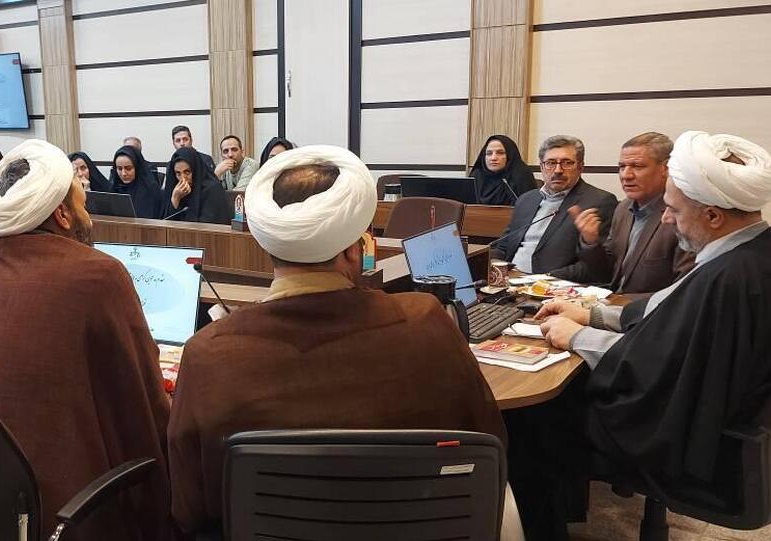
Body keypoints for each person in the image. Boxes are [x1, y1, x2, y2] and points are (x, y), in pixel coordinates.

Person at [167, 145, 519, 539]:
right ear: (357, 248)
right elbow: (491, 442)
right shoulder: (427, 322)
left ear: (267, 245)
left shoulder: (208, 355)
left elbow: (189, 506)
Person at [525, 131, 771, 539]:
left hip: (689, 443)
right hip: (719, 422)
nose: (665, 219)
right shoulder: (762, 250)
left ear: (713, 216)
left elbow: (649, 364)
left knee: (534, 418)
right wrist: (591, 314)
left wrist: (575, 336)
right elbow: (667, 313)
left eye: (674, 210)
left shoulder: (728, 280)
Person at [0, 140, 175, 541]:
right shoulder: (98, 276)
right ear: (63, 214)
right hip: (72, 514)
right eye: (82, 202)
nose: (88, 213)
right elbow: (144, 405)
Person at [569, 132, 694, 293]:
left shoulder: (681, 214)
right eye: (622, 167)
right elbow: (605, 274)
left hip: (645, 307)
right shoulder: (623, 208)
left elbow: (682, 292)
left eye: (637, 166)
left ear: (666, 168)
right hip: (610, 301)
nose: (626, 175)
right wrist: (591, 241)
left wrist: (617, 304)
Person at [491, 135, 618, 275]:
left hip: (554, 284)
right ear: (542, 167)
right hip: (510, 279)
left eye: (567, 163)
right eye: (550, 163)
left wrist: (544, 279)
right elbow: (504, 247)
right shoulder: (526, 200)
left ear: (580, 167)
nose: (558, 170)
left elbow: (598, 268)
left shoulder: (599, 202)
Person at [468, 134, 538, 205]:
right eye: (489, 153)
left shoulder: (522, 175)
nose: (493, 158)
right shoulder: (476, 176)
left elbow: (531, 207)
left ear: (510, 155)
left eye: (500, 153)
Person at [165, 146, 229, 223]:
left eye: (187, 172)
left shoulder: (212, 189)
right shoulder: (177, 190)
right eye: (178, 173)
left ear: (196, 170)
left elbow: (207, 225)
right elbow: (166, 223)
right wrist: (175, 199)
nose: (183, 179)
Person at [109, 145, 164, 219]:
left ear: (137, 167)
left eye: (128, 168)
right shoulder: (115, 188)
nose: (123, 173)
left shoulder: (151, 189)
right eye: (119, 168)